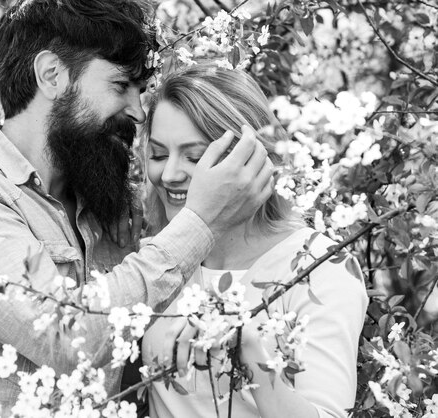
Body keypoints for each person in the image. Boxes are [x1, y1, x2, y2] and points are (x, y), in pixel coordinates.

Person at [0, 1, 275, 416]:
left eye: (141, 91)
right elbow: (68, 335)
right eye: (120, 86)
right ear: (52, 74)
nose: (138, 112)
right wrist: (201, 223)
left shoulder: (108, 206)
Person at [141, 65, 369, 418]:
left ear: (250, 159)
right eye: (158, 154)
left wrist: (249, 348)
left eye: (195, 157)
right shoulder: (157, 257)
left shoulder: (322, 268)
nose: (169, 174)